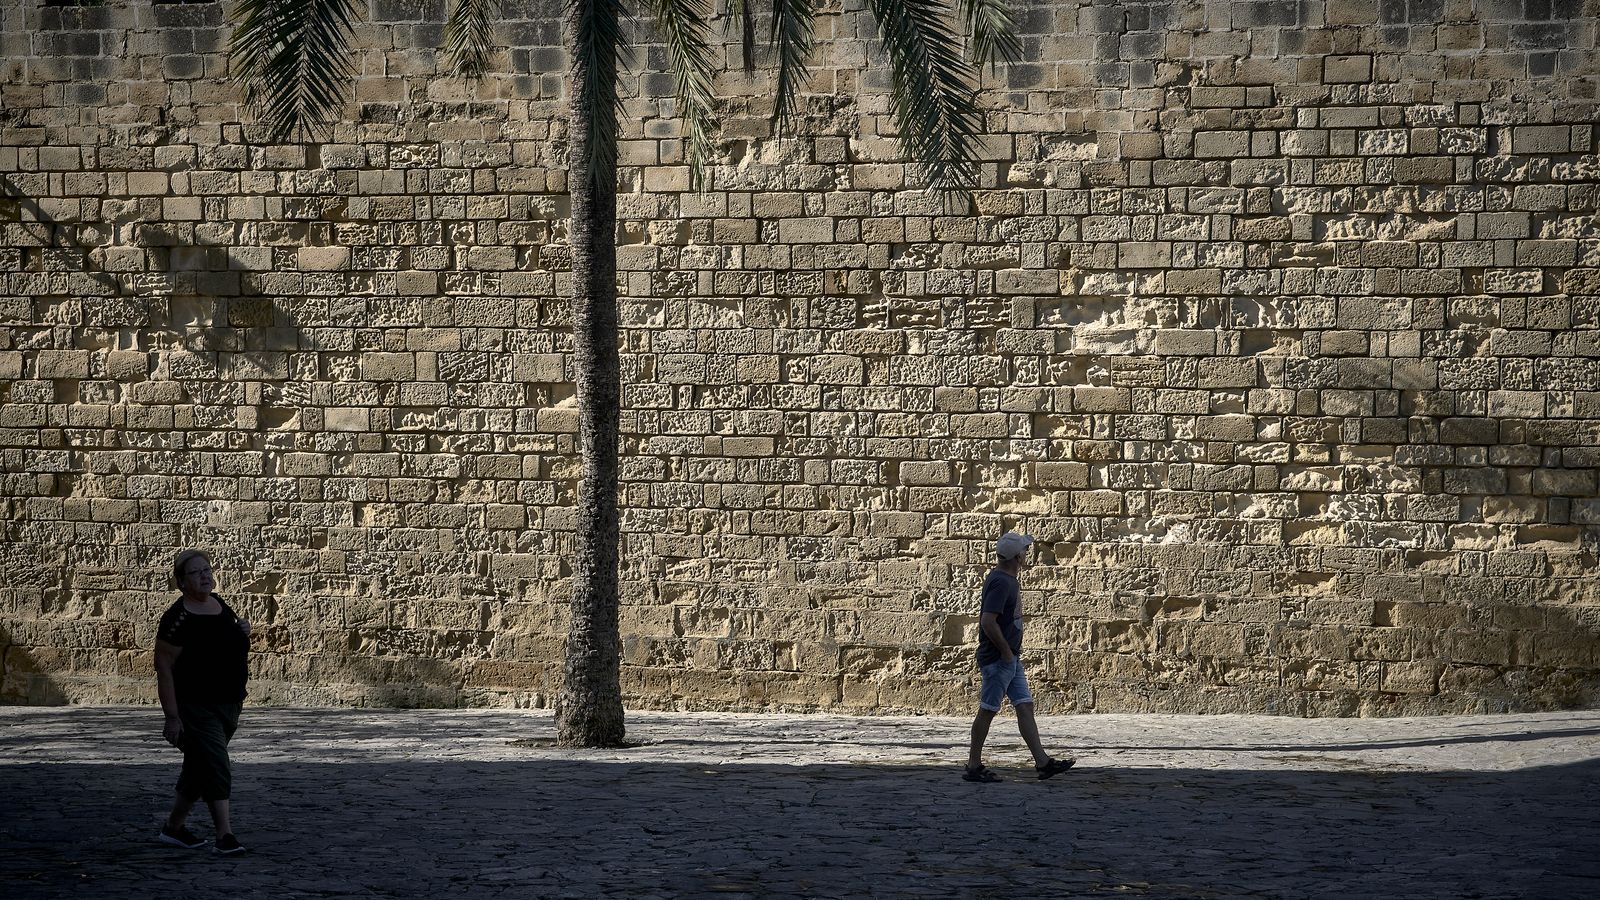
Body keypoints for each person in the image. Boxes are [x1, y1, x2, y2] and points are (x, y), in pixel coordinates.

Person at [154, 549, 252, 854]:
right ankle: (225, 835)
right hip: (195, 707)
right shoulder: (177, 618)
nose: (205, 576)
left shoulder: (220, 604)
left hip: (229, 704)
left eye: (207, 570)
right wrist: (172, 717)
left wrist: (244, 632)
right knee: (215, 764)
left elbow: (232, 639)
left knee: (199, 766)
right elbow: (163, 666)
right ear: (181, 582)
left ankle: (174, 828)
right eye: (196, 573)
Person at [963, 531, 1075, 782]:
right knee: (988, 710)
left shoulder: (1005, 578)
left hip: (1010, 659)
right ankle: (972, 766)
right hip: (999, 659)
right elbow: (988, 622)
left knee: (1024, 705)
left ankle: (1043, 763)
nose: (1027, 553)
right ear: (1017, 556)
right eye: (1024, 550)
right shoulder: (1003, 582)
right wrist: (1004, 651)